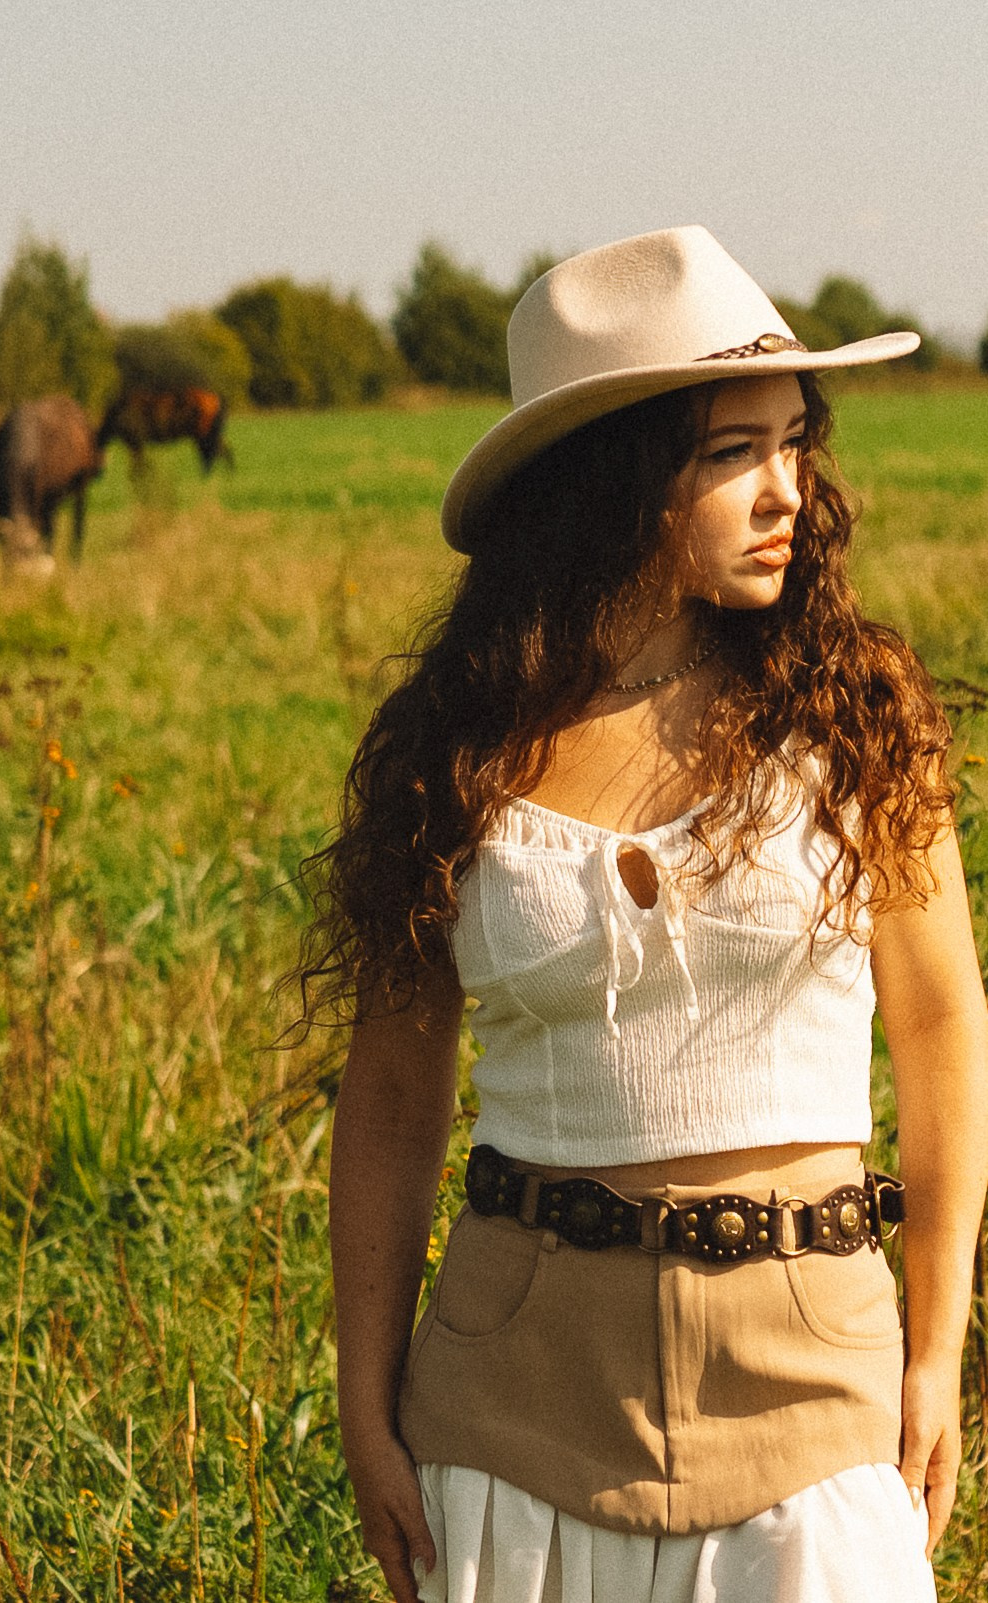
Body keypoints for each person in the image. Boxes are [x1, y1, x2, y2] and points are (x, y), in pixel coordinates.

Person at [306, 226, 988, 1603]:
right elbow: (390, 1092)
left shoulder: (856, 713)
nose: (788, 491)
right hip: (511, 1402)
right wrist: (363, 1398)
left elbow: (938, 1026)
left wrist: (934, 1353)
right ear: (612, 480)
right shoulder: (459, 746)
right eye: (734, 453)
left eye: (794, 443)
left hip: (813, 1383)